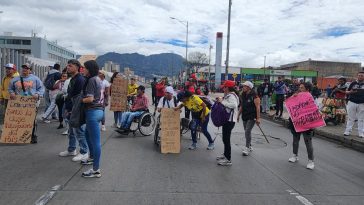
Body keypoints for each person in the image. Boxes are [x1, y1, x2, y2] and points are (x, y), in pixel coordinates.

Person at [59, 59, 89, 162]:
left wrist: (72, 110)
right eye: (67, 66)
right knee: (71, 131)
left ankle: (84, 152)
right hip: (70, 108)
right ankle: (71, 149)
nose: (68, 67)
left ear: (77, 67)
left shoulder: (80, 80)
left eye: (70, 66)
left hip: (76, 109)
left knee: (79, 131)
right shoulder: (72, 79)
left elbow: (78, 98)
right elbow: (70, 95)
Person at [9, 63, 44, 143]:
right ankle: (19, 136)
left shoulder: (35, 79)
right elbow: (10, 88)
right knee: (19, 120)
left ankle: (32, 135)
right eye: (23, 67)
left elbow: (41, 88)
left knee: (32, 120)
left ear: (30, 70)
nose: (24, 69)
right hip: (19, 102)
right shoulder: (15, 79)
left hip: (32, 102)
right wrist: (11, 92)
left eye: (27, 68)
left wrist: (37, 94)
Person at [81, 60, 104, 178]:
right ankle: (92, 158)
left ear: (89, 69)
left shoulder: (91, 80)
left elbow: (89, 99)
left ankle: (96, 170)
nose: (83, 70)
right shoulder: (98, 79)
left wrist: (79, 100)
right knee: (86, 134)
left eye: (84, 68)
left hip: (92, 112)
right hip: (99, 111)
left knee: (96, 142)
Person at [287, 82, 315, 170]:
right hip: (296, 121)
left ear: (307, 89)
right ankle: (294, 155)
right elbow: (289, 104)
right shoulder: (297, 95)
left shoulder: (310, 97)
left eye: (302, 88)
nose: (300, 89)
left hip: (306, 122)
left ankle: (311, 161)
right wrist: (292, 97)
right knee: (295, 140)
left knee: (308, 142)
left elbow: (312, 110)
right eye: (300, 87)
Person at [215, 80, 239, 166]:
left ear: (228, 87)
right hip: (227, 120)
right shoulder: (229, 95)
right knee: (225, 138)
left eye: (224, 87)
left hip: (230, 120)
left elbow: (234, 105)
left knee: (226, 139)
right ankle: (225, 155)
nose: (223, 88)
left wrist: (222, 102)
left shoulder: (231, 95)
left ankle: (228, 159)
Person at [237, 81, 261, 156]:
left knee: (247, 130)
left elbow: (258, 108)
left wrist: (258, 118)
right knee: (246, 131)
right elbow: (241, 106)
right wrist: (238, 115)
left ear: (249, 87)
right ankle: (249, 145)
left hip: (252, 116)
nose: (243, 87)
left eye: (245, 86)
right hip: (245, 115)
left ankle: (247, 148)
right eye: (243, 86)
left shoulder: (255, 96)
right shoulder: (243, 95)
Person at [344, 72, 364, 138]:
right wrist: (351, 92)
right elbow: (346, 92)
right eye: (359, 75)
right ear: (357, 76)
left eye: (362, 76)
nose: (360, 77)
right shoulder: (353, 83)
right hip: (352, 102)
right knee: (350, 118)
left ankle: (361, 133)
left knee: (361, 119)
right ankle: (347, 131)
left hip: (362, 103)